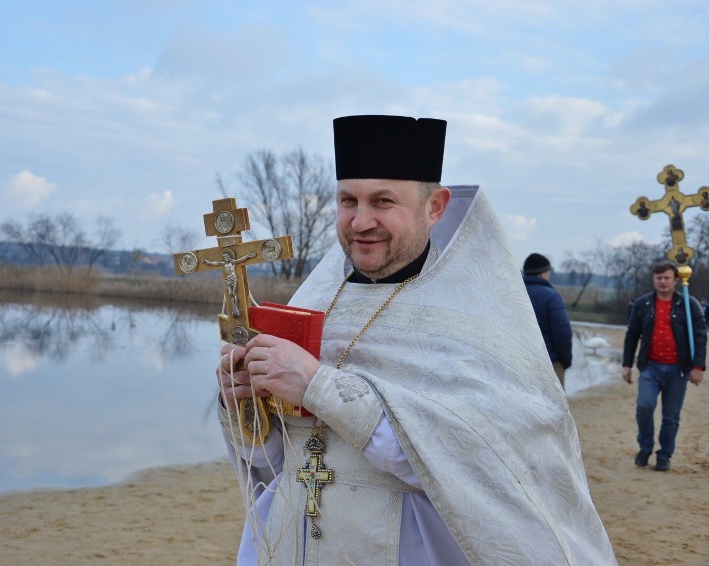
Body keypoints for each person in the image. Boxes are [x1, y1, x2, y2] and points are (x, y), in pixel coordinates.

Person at [216, 115, 615, 564]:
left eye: (383, 201)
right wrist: (245, 405)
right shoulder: (316, 298)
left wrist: (318, 386)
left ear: (436, 206)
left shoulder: (477, 321)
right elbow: (277, 456)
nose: (361, 220)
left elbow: (475, 469)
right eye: (348, 200)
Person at [621, 260, 706, 472]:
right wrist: (626, 364)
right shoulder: (643, 304)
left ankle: (664, 455)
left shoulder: (688, 303)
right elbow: (632, 335)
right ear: (653, 279)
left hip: (678, 369)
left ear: (675, 279)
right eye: (658, 278)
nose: (663, 282)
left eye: (667, 278)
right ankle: (645, 447)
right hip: (650, 366)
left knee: (670, 416)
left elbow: (700, 335)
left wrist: (698, 367)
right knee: (644, 406)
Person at [522, 252, 573, 387]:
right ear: (542, 273)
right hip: (549, 364)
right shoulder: (551, 296)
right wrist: (565, 361)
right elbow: (562, 333)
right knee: (554, 407)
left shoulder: (513, 293)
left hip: (518, 362)